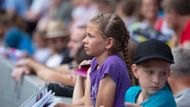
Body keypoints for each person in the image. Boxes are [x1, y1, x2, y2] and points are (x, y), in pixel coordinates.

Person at [57, 13, 131, 107]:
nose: (84, 40)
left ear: (108, 43)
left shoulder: (111, 64)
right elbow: (77, 104)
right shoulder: (95, 63)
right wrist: (82, 74)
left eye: (90, 36)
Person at [125, 39, 176, 107]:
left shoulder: (166, 100)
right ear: (135, 71)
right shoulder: (130, 93)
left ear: (168, 73)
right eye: (150, 72)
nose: (156, 80)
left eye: (163, 73)